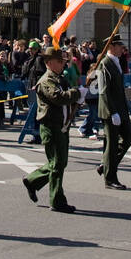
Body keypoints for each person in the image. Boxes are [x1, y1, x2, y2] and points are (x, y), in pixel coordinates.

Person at [21, 44, 83, 213]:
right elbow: (57, 97)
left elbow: (67, 94)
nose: (63, 63)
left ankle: (33, 181)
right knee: (56, 163)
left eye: (62, 61)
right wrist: (76, 94)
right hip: (51, 126)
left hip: (61, 125)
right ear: (49, 62)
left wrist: (78, 94)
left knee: (60, 162)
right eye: (59, 61)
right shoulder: (47, 80)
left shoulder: (59, 78)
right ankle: (57, 200)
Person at [97, 35, 131, 189]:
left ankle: (106, 165)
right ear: (111, 46)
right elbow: (104, 91)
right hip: (110, 111)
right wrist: (112, 112)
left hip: (121, 109)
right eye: (119, 45)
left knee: (129, 138)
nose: (122, 48)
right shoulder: (104, 64)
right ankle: (110, 179)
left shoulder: (116, 62)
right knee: (111, 145)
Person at [18, 38, 46, 144]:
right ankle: (36, 135)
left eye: (33, 48)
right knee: (32, 112)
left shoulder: (39, 59)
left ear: (37, 49)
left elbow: (41, 73)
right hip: (31, 86)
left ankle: (37, 135)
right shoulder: (31, 59)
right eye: (30, 48)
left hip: (35, 87)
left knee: (34, 112)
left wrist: (37, 84)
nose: (31, 50)